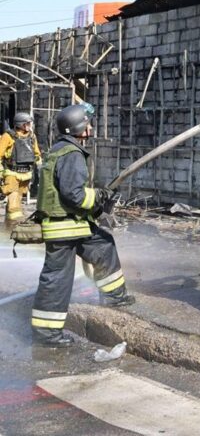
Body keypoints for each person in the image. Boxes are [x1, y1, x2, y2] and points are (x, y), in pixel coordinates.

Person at [31, 102, 134, 348]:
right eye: (87, 123)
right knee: (57, 278)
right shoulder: (71, 154)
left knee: (104, 245)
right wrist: (98, 196)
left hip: (74, 224)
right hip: (65, 226)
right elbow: (73, 195)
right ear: (78, 127)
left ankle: (114, 297)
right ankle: (47, 334)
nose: (90, 127)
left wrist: (98, 199)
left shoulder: (60, 149)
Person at [0, 112, 42, 226]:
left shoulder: (32, 136)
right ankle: (16, 224)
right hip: (11, 173)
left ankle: (9, 225)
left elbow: (37, 154)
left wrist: (39, 170)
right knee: (13, 201)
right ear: (21, 124)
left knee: (17, 198)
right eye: (27, 123)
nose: (30, 125)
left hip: (26, 174)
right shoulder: (8, 136)